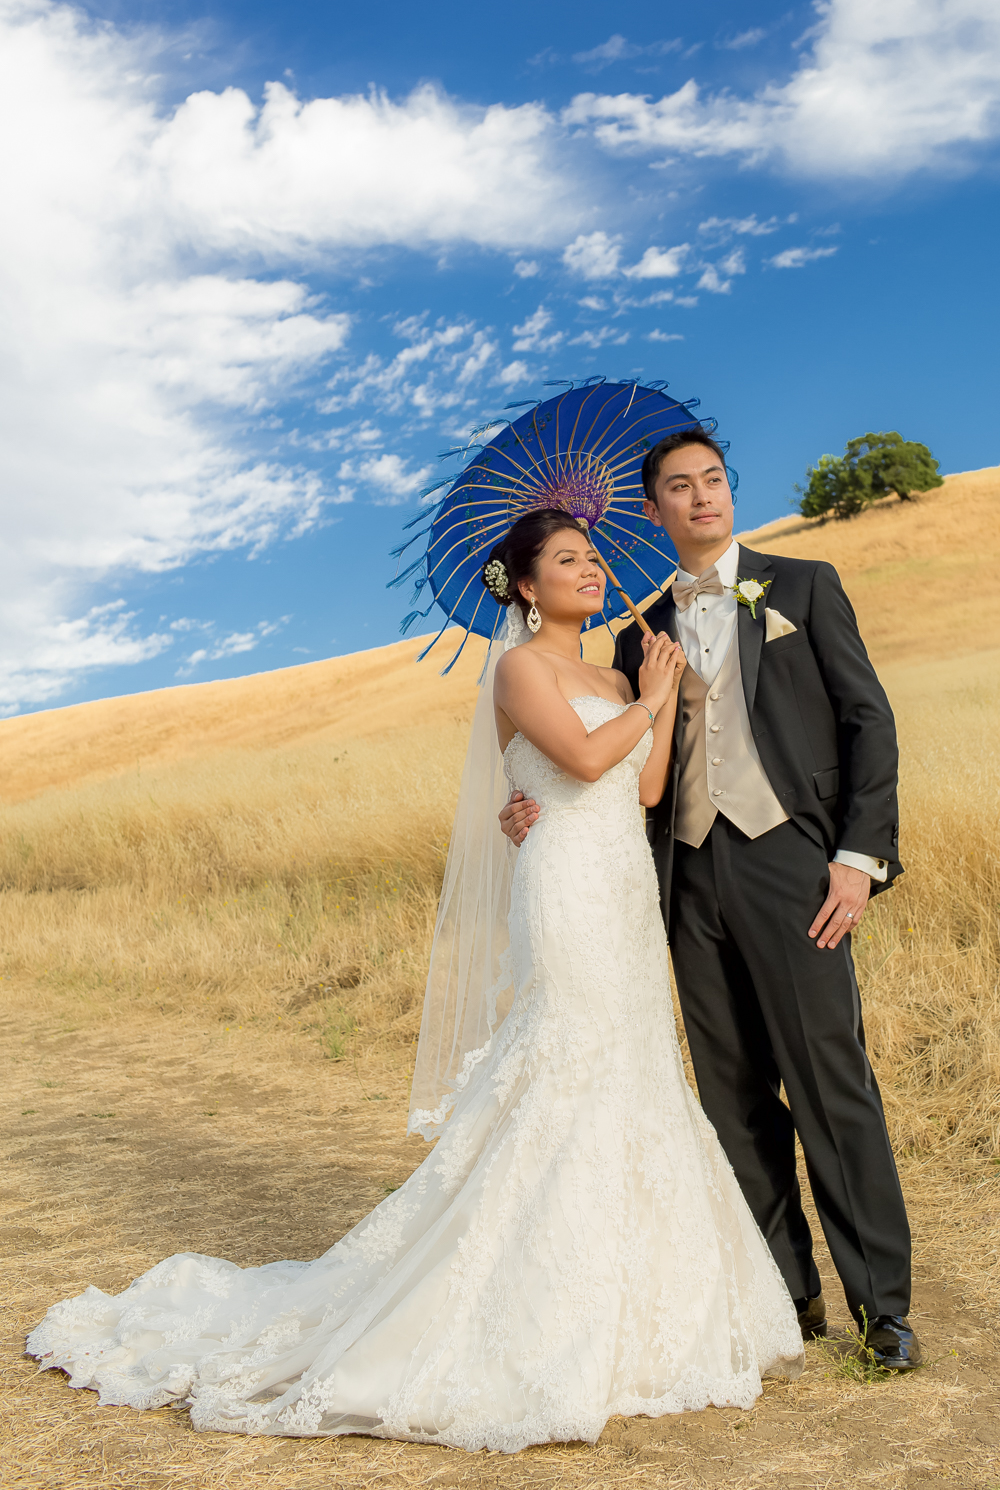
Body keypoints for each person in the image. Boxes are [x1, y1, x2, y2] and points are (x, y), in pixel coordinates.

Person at [27, 507, 803, 1453]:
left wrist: (664, 700)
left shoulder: (614, 669)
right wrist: (652, 698)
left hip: (621, 886)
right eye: (567, 560)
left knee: (634, 1067)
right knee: (572, 1063)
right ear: (525, 585)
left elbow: (640, 791)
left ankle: (643, 1307)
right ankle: (523, 1308)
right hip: (563, 888)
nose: (590, 571)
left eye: (593, 557)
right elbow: (586, 755)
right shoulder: (521, 667)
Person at [501, 432, 921, 1371]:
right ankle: (784, 1299)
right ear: (653, 511)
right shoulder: (635, 633)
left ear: (729, 493)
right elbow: (611, 769)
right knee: (732, 1099)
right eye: (679, 490)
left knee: (829, 1081)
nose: (702, 499)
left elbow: (868, 720)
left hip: (793, 868)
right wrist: (526, 798)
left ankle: (881, 1310)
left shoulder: (803, 585)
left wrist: (857, 856)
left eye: (714, 482)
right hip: (683, 878)